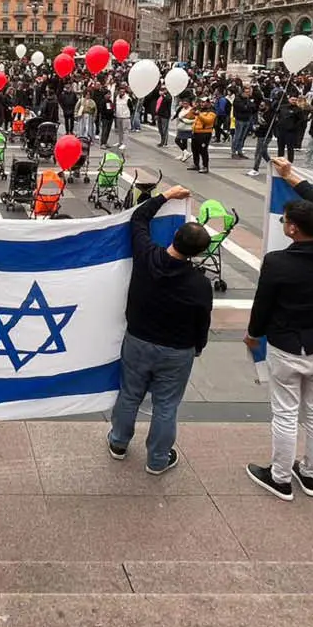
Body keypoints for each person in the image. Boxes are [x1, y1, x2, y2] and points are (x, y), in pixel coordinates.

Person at [106, 185, 213, 473]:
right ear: (200, 252)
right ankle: (157, 460)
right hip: (177, 349)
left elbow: (138, 218)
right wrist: (198, 346)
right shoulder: (200, 284)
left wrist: (166, 195)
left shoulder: (147, 256)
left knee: (129, 394)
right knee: (166, 406)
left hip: (138, 340)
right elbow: (203, 319)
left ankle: (118, 442)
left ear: (174, 237)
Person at [247, 158, 313, 499]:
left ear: (292, 230)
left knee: (286, 413)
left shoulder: (277, 262)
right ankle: (312, 474)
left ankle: (280, 477)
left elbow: (263, 305)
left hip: (286, 345)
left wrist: (253, 333)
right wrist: (293, 178)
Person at [190, 102, 215, 172]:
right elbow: (190, 115)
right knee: (194, 149)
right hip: (196, 132)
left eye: (204, 102)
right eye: (201, 102)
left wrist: (199, 115)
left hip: (205, 133)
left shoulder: (211, 111)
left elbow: (208, 121)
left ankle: (205, 166)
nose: (202, 103)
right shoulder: (200, 110)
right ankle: (196, 164)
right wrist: (193, 109)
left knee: (203, 150)